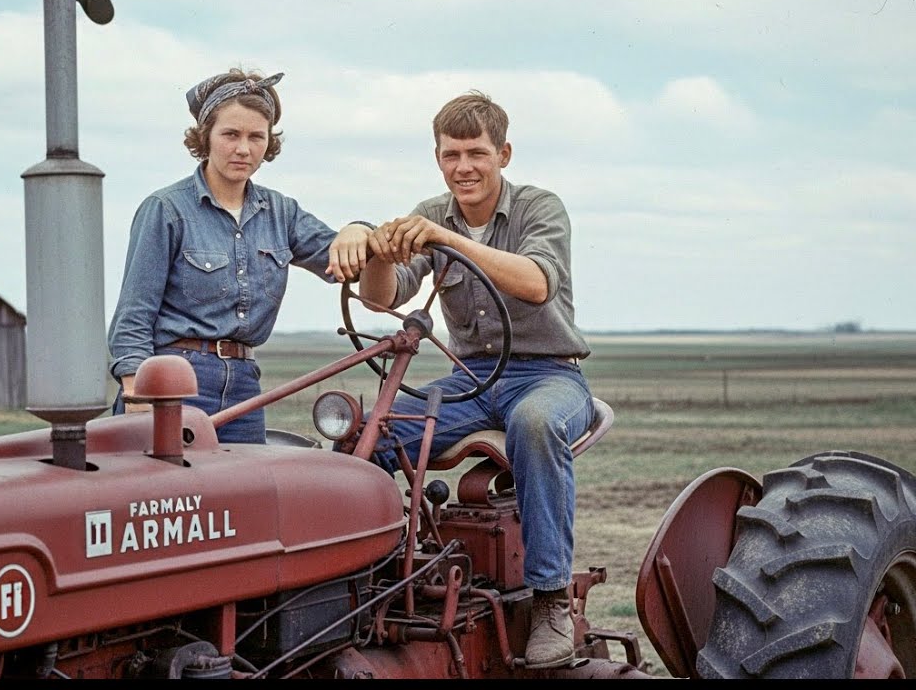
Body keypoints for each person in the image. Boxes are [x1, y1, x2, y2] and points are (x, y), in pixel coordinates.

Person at [355, 90, 594, 669]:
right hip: (473, 377)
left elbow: (536, 283)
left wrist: (445, 240)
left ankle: (548, 601)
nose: (463, 167)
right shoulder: (429, 212)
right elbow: (381, 299)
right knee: (371, 434)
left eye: (476, 153)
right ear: (437, 159)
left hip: (548, 375)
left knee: (535, 424)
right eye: (450, 155)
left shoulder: (540, 208)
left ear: (503, 154)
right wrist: (381, 254)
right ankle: (371, 579)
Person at [107, 67, 377, 443]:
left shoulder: (282, 212)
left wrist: (358, 228)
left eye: (256, 137)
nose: (243, 149)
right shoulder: (166, 209)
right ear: (206, 136)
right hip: (174, 384)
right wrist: (139, 399)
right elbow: (133, 316)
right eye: (230, 134)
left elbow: (344, 257)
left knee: (247, 494)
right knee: (174, 498)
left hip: (244, 386)